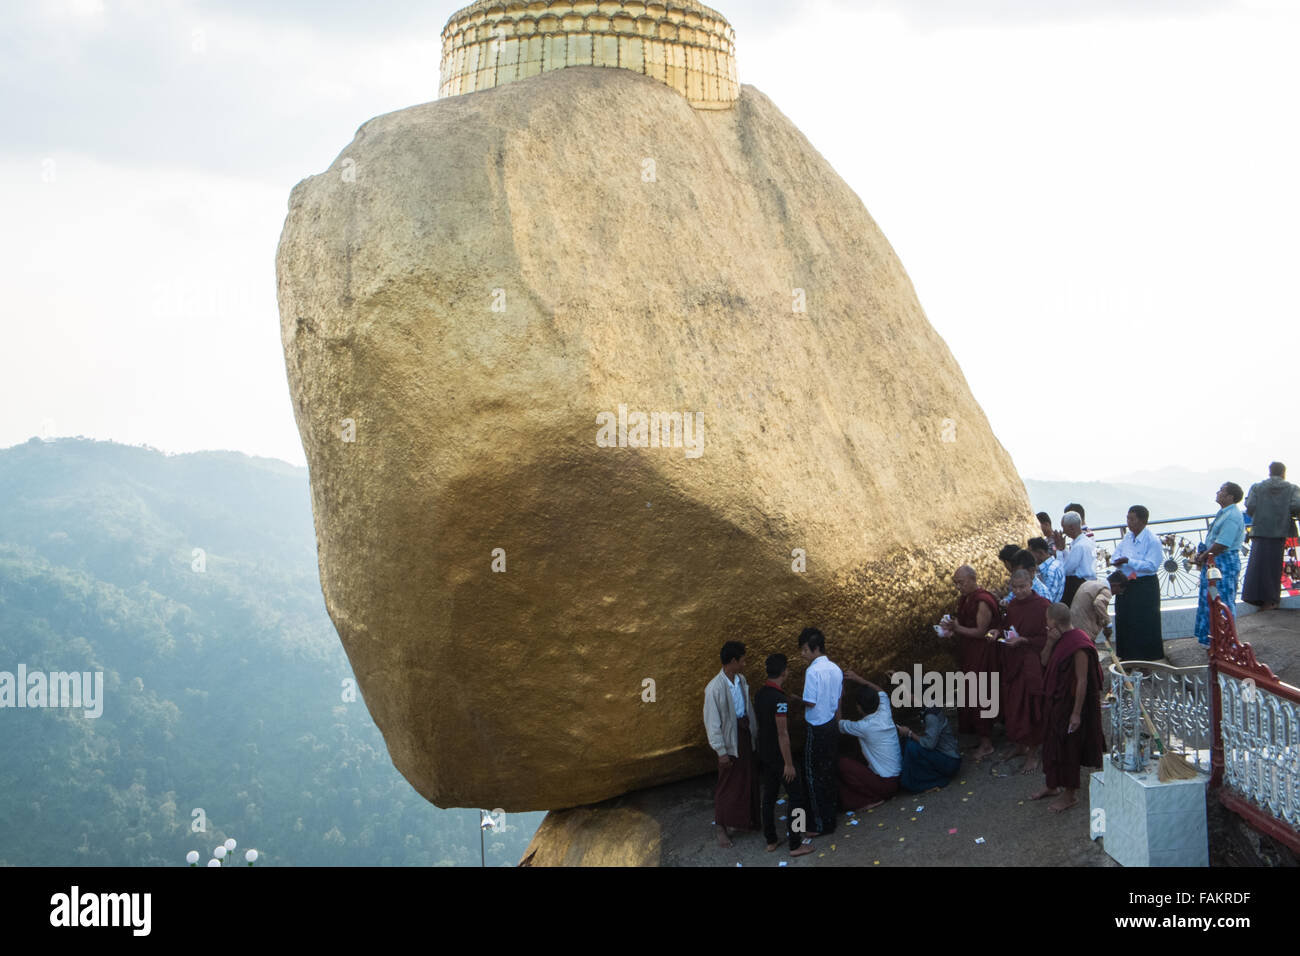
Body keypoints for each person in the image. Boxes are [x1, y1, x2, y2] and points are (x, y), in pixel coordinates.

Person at [1031, 603, 1105, 812]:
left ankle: (1070, 795)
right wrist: (1050, 641)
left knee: (1068, 749)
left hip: (1070, 704)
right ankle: (1052, 785)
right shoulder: (1058, 639)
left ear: (1053, 621)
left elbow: (1082, 681)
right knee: (1051, 746)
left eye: (1047, 620)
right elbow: (1044, 661)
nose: (1046, 623)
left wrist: (1076, 714)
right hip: (1054, 702)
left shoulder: (1079, 644)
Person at [754, 654, 815, 856]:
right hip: (780, 756)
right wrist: (788, 764)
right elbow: (782, 733)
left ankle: (771, 840)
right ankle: (796, 843)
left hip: (765, 754)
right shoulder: (779, 700)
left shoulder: (761, 694)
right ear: (783, 672)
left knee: (769, 797)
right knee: (796, 796)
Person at [703, 641, 759, 847]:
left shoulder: (741, 680)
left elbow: (747, 708)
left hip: (744, 735)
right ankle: (721, 827)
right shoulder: (714, 688)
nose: (745, 663)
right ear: (733, 661)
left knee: (746, 780)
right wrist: (721, 751)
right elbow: (712, 722)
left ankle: (742, 820)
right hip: (729, 741)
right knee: (727, 784)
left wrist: (753, 731)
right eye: (742, 660)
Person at [997, 569, 1049, 773]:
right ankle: (1019, 745)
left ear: (1031, 584)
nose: (1018, 591)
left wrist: (1024, 640)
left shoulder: (1043, 606)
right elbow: (1007, 627)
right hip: (1013, 661)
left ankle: (1032, 753)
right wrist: (998, 632)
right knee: (1013, 706)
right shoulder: (1012, 605)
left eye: (1022, 587)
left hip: (1032, 662)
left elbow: (1048, 637)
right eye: (1014, 587)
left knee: (1031, 708)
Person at [950, 565, 1001, 760]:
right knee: (970, 693)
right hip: (970, 652)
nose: (959, 587)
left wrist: (957, 628)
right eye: (956, 583)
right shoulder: (966, 599)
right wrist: (952, 628)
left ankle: (987, 744)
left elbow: (981, 631)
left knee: (981, 695)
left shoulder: (982, 601)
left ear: (972, 579)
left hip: (983, 653)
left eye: (961, 582)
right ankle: (981, 737)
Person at [798, 627, 843, 838]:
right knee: (829, 771)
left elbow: (810, 701)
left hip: (817, 727)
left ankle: (820, 823)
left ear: (815, 648)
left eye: (805, 650)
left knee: (813, 775)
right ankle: (831, 816)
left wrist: (795, 699)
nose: (802, 654)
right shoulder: (835, 669)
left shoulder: (812, 671)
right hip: (832, 724)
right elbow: (838, 698)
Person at [836, 671, 902, 810]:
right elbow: (881, 692)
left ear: (859, 707)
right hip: (896, 778)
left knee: (842, 763)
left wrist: (838, 698)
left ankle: (869, 799)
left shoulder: (864, 727)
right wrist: (859, 679)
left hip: (885, 784)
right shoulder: (885, 712)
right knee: (855, 754)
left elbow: (839, 723)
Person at [1193, 482, 1246, 645]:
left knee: (1221, 601)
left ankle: (1224, 640)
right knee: (1210, 599)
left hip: (1223, 564)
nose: (1218, 492)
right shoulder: (1224, 513)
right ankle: (1212, 638)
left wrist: (1203, 557)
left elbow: (1223, 543)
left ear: (1230, 496)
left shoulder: (1232, 516)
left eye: (1222, 490)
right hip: (1214, 561)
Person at [1241, 463, 1300, 611]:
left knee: (1258, 566)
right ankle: (1272, 600)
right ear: (1283, 473)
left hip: (1260, 532)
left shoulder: (1257, 487)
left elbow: (1250, 505)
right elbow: (1296, 506)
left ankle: (1258, 600)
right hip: (1281, 532)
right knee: (1275, 567)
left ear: (1269, 472)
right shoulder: (1292, 489)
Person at [1110, 505, 1164, 661]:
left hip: (1144, 584)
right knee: (1125, 619)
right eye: (1127, 518)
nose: (1129, 522)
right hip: (1127, 582)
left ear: (1142, 521)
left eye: (1132, 519)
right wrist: (1119, 561)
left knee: (1144, 622)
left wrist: (1130, 561)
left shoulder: (1152, 540)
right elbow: (1116, 554)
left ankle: (1146, 660)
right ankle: (1127, 656)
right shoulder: (1128, 537)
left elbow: (1152, 565)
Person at [897, 705, 962, 792]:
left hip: (950, 760)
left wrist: (910, 733)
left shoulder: (931, 715)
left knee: (911, 746)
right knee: (909, 743)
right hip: (947, 757)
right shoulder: (929, 710)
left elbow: (929, 744)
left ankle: (926, 781)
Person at [1057, 511, 1097, 606]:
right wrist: (1064, 549)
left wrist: (1059, 551)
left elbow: (1066, 570)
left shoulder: (1079, 546)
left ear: (1071, 527)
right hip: (1091, 583)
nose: (1063, 531)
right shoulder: (1087, 542)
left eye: (1064, 527)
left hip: (1079, 585)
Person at [1070, 573, 1115, 642]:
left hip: (1073, 624)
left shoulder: (1090, 583)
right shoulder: (1106, 591)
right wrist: (1108, 623)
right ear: (1116, 585)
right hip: (1084, 631)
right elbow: (1098, 603)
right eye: (1120, 591)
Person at [1029, 536, 1065, 603]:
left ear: (1040, 553)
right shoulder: (1054, 564)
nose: (1029, 557)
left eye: (1031, 554)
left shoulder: (1051, 571)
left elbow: (1047, 599)